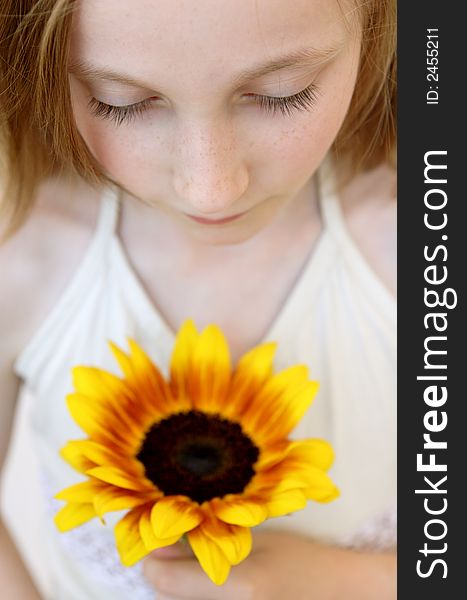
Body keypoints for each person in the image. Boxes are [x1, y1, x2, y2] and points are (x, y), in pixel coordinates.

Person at [0, 0, 396, 598]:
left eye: (280, 94)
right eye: (121, 101)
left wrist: (354, 581)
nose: (209, 188)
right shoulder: (24, 254)